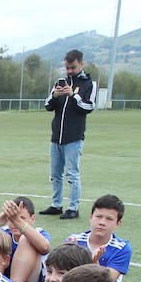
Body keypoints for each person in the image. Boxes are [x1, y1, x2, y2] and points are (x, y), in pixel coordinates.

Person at [41, 50, 96, 220]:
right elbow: (48, 105)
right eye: (67, 67)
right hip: (56, 136)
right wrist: (55, 96)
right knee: (55, 174)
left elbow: (89, 107)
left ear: (81, 64)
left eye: (73, 67)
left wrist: (74, 95)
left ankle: (73, 207)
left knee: (72, 174)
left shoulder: (89, 83)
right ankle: (56, 205)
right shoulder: (60, 82)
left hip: (74, 137)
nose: (70, 71)